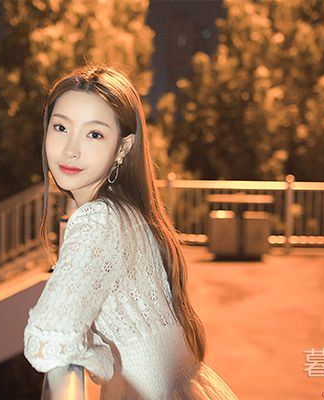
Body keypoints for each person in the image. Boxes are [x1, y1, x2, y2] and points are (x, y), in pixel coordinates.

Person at [23, 63, 239, 399]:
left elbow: (46, 341)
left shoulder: (97, 220)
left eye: (94, 134)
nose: (71, 149)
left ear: (123, 148)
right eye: (61, 127)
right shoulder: (129, 210)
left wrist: (100, 359)